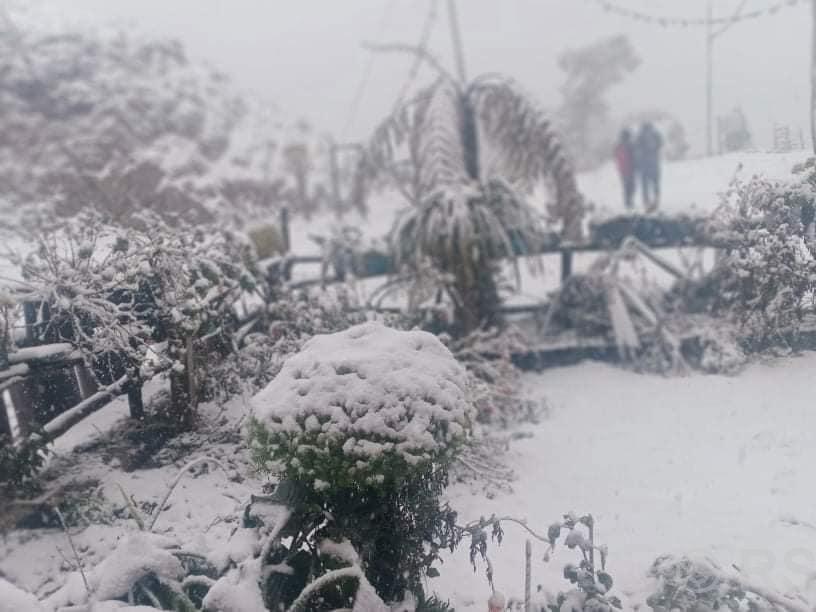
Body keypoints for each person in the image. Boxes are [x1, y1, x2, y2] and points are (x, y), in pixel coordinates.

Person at [635, 121, 663, 211]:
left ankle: (646, 201)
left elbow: (636, 149)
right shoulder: (655, 135)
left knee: (645, 184)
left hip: (644, 164)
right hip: (654, 163)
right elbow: (660, 144)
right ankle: (656, 199)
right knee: (655, 183)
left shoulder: (640, 137)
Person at [614, 128, 636, 210]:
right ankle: (628, 202)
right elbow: (633, 157)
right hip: (629, 169)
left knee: (627, 186)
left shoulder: (618, 146)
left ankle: (628, 201)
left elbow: (616, 157)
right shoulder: (629, 145)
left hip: (623, 169)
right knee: (630, 186)